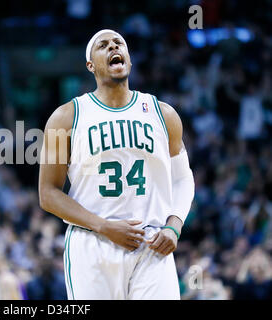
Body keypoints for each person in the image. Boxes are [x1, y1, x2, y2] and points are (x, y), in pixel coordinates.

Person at [39, 29, 195, 299]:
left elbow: (182, 178)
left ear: (129, 60)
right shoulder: (65, 117)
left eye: (118, 43)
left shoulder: (163, 113)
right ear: (91, 65)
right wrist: (103, 226)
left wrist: (174, 226)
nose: (113, 46)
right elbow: (48, 194)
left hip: (151, 243)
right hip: (92, 243)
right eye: (103, 45)